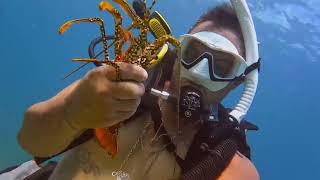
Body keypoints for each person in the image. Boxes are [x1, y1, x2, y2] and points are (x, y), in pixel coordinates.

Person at [17, 3, 260, 180]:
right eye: (193, 53)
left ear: (236, 82)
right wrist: (72, 111)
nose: (199, 72)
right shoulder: (116, 86)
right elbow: (29, 140)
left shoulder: (224, 160)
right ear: (176, 52)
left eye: (222, 66)